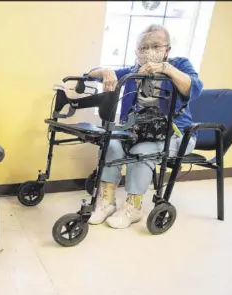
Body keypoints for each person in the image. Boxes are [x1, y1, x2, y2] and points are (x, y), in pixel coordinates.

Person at [87, 24, 203, 229]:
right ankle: (106, 202)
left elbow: (194, 88)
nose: (149, 51)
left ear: (167, 50)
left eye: (156, 45)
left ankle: (134, 207)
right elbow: (90, 74)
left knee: (142, 150)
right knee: (111, 143)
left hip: (175, 134)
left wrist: (166, 69)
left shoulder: (180, 65)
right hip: (137, 130)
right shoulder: (134, 71)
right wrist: (105, 71)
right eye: (143, 47)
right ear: (137, 51)